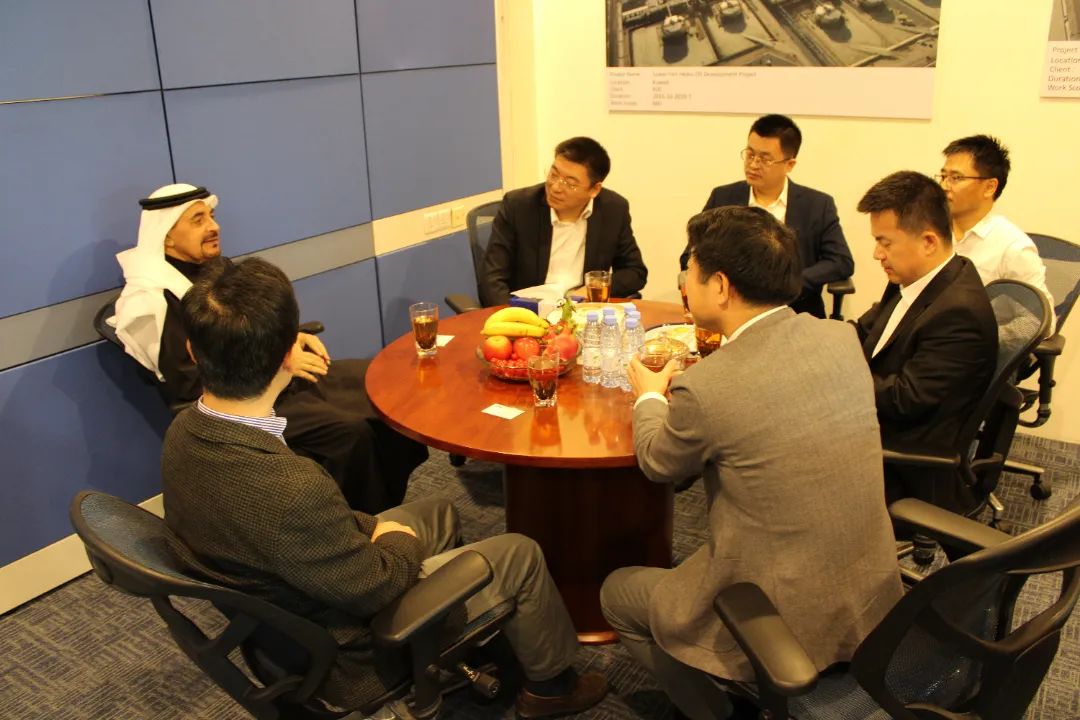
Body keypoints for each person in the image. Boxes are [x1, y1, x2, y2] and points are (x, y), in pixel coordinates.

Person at [160, 256, 608, 717]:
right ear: (289, 355)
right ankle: (552, 688)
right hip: (351, 652)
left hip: (283, 610)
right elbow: (375, 587)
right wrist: (394, 540)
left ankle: (469, 635)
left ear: (194, 351)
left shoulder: (182, 433)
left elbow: (313, 528)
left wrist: (372, 529)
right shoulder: (291, 487)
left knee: (439, 511)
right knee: (521, 552)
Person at [603, 206, 902, 720]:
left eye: (689, 269)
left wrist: (649, 396)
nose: (683, 282)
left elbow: (658, 464)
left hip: (776, 609)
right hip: (870, 592)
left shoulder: (709, 385)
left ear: (720, 286)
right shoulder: (840, 338)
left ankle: (714, 711)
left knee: (617, 594)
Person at [111, 183, 426, 513]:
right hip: (243, 402)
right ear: (166, 237)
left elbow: (254, 326)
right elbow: (190, 383)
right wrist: (280, 362)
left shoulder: (218, 270)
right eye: (198, 220)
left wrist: (291, 338)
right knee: (352, 432)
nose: (213, 227)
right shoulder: (154, 301)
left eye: (212, 216)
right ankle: (359, 519)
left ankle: (389, 498)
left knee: (382, 386)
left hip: (277, 375)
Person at [854, 171, 998, 512]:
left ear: (929, 242)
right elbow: (865, 331)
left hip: (903, 460)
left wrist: (834, 379)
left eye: (885, 242)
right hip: (876, 421)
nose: (877, 254)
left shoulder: (959, 313)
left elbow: (905, 399)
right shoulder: (914, 277)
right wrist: (812, 342)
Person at [679, 114, 853, 318]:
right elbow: (690, 254)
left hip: (796, 312)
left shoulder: (817, 205)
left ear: (789, 164)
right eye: (750, 154)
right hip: (730, 313)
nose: (753, 164)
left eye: (765, 159)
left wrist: (791, 282)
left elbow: (841, 261)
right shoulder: (724, 197)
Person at [479, 136, 648, 306]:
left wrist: (589, 290)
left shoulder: (613, 209)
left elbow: (634, 272)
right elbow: (491, 278)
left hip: (583, 309)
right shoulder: (519, 206)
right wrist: (511, 314)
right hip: (529, 308)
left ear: (595, 189)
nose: (556, 187)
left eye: (570, 183)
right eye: (553, 175)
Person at [938, 134, 1055, 328]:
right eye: (943, 176)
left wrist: (981, 340)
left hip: (974, 344)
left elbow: (1039, 322)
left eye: (956, 178)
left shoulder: (1012, 248)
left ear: (989, 187)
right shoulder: (932, 232)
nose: (944, 186)